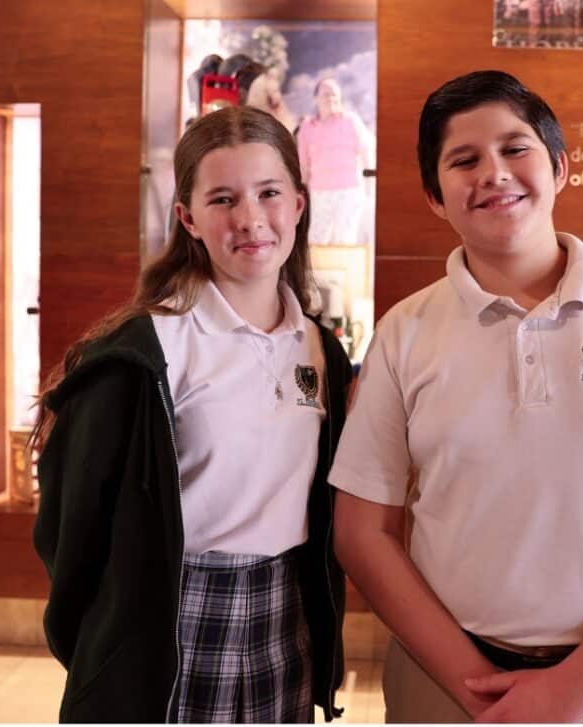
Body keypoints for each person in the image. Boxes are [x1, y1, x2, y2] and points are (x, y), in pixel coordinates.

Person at [329, 70, 583, 723]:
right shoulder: (403, 333)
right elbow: (362, 532)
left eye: (515, 149)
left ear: (560, 166)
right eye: (464, 160)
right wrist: (475, 684)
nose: (493, 172)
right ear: (436, 197)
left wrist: (572, 688)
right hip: (447, 681)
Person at [31, 106, 352, 723]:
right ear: (188, 218)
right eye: (224, 199)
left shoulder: (320, 349)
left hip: (284, 615)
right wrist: (109, 635)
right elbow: (69, 528)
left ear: (300, 204)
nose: (251, 219)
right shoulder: (143, 352)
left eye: (269, 193)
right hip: (167, 619)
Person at [296, 78, 374, 246]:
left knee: (344, 240)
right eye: (326, 94)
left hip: (349, 192)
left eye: (334, 94)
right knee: (316, 240)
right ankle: (317, 273)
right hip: (318, 193)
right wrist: (302, 192)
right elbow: (303, 165)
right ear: (316, 98)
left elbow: (366, 153)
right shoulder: (307, 127)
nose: (331, 98)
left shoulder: (351, 121)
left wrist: (369, 188)